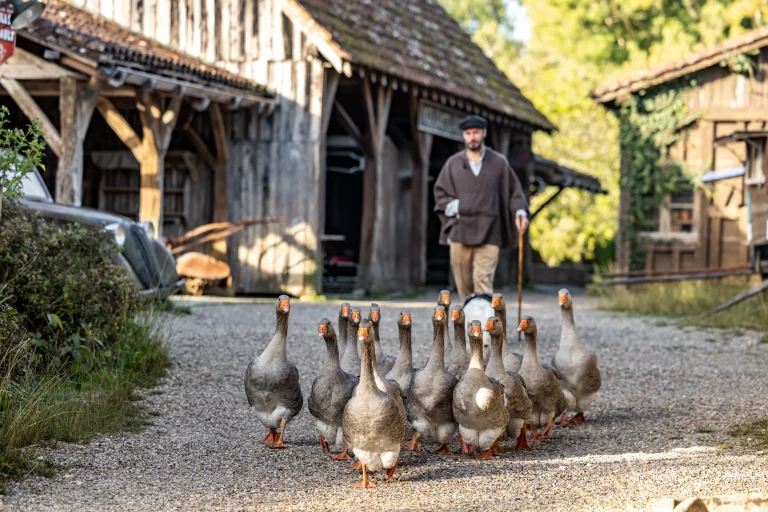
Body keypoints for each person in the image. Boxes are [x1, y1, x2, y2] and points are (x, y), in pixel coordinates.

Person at [433, 115, 529, 301]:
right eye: (468, 133)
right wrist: (461, 206)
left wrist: (520, 212)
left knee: (482, 281)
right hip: (460, 231)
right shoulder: (453, 164)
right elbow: (440, 194)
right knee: (465, 286)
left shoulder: (499, 163)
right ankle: (470, 326)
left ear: (484, 133)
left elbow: (514, 193)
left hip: (490, 231)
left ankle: (485, 327)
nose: (472, 137)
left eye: (476, 132)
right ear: (463, 136)